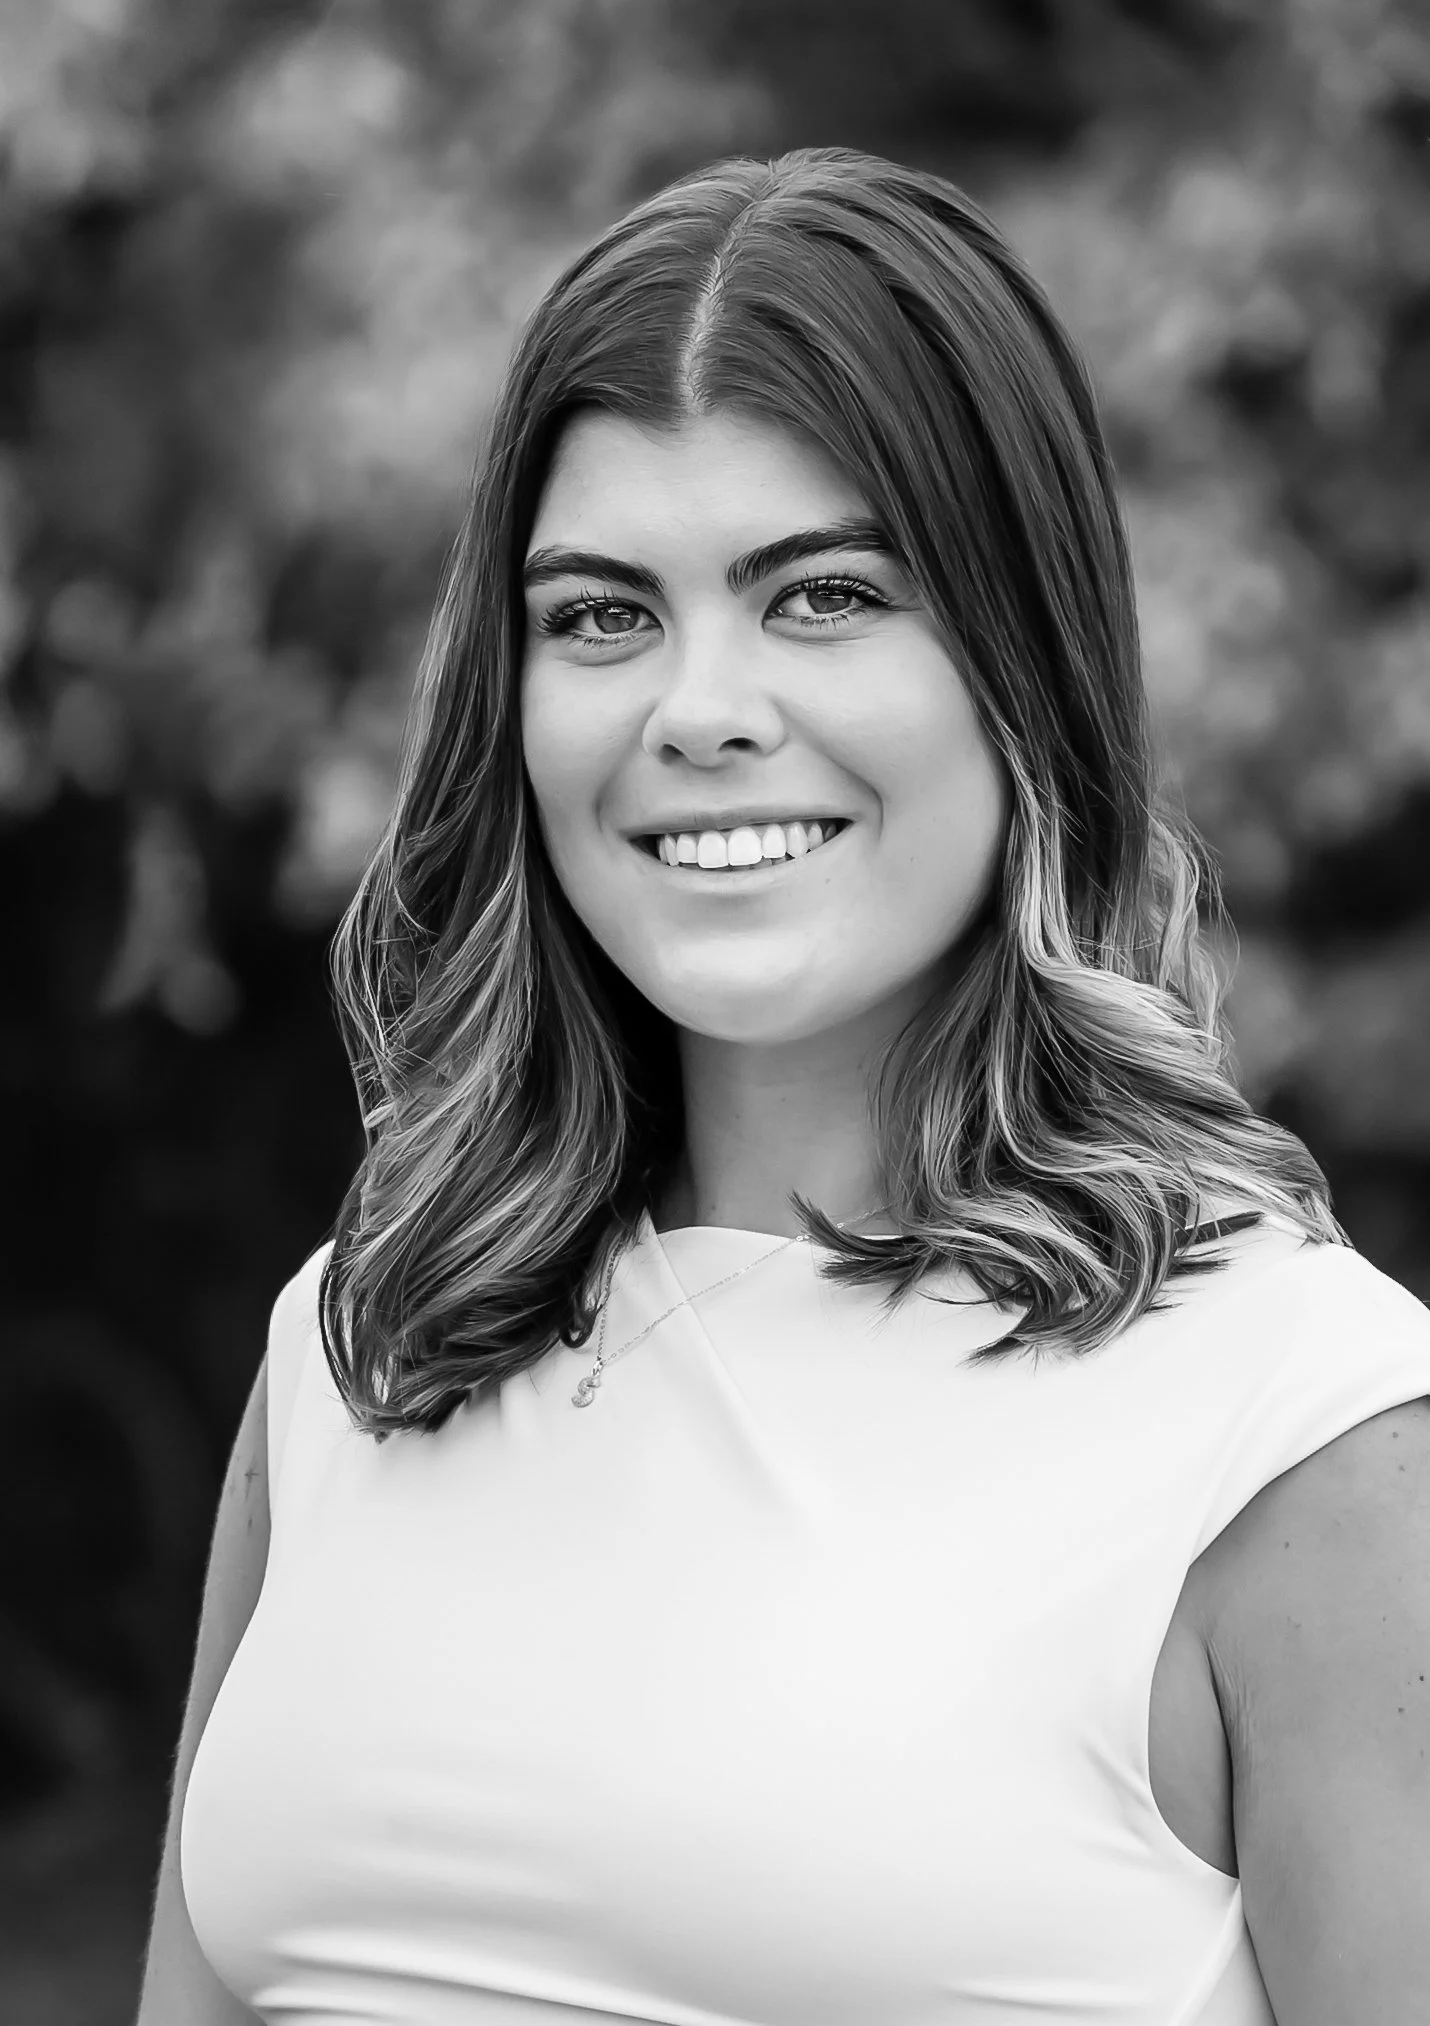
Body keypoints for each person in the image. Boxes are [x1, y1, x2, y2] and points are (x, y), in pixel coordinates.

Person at [146, 148, 1430, 2026]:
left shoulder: (1301, 1435)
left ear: (1024, 660)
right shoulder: (359, 1351)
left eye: (823, 595)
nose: (698, 708)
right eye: (599, 614)